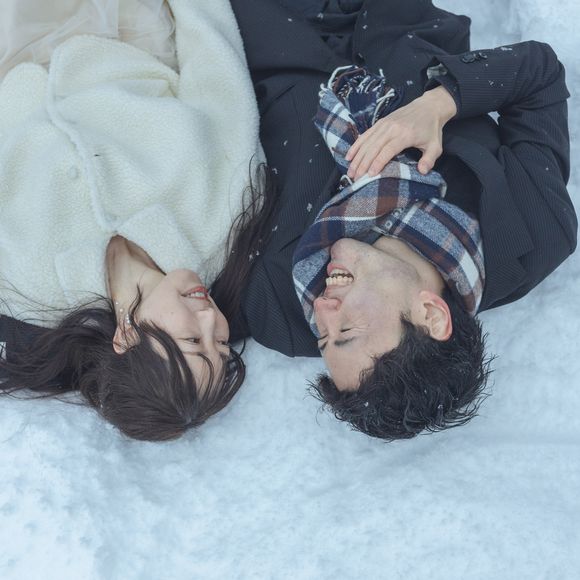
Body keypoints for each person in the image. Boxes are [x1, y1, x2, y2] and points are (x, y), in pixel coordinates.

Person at [220, 0, 577, 440]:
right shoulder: (539, 230)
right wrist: (441, 103)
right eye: (346, 329)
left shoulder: (276, 307)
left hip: (261, 24)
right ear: (431, 314)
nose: (322, 312)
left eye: (323, 338)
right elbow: (539, 75)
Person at [0, 0, 265, 441]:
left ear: (125, 338)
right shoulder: (222, 222)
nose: (211, 320)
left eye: (193, 341)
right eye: (220, 343)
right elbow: (220, 80)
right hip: (128, 31)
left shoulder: (27, 286)